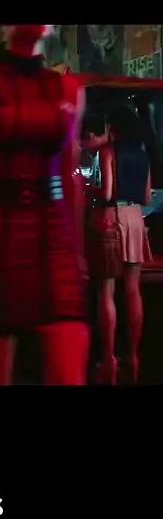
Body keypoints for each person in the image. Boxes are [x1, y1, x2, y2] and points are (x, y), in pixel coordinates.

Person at [0, 25, 89, 385]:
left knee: (69, 372)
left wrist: (77, 250)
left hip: (54, 235)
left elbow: (69, 174)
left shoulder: (69, 89)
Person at [88, 105, 152, 385]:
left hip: (112, 218)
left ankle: (108, 361)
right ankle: (133, 358)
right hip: (136, 218)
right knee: (133, 290)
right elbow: (147, 197)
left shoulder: (108, 152)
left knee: (106, 291)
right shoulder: (142, 155)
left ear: (113, 127)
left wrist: (87, 188)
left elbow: (106, 192)